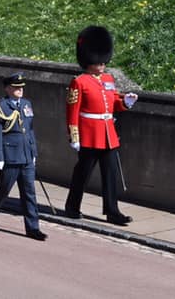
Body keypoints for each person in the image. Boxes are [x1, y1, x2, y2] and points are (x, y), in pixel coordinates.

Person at [64, 26, 139, 225]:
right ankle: (72, 206)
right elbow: (72, 111)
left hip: (108, 134)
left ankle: (112, 210)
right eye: (99, 61)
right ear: (90, 60)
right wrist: (74, 136)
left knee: (111, 174)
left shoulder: (108, 79)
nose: (103, 64)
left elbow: (113, 102)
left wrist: (125, 103)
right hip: (89, 135)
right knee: (83, 173)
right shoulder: (79, 82)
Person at [0, 72, 47, 241]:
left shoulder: (26, 104)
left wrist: (33, 152)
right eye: (16, 88)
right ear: (8, 89)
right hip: (10, 155)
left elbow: (30, 130)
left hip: (26, 155)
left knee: (29, 193)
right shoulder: (1, 106)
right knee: (3, 190)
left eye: (21, 87)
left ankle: (33, 228)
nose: (20, 90)